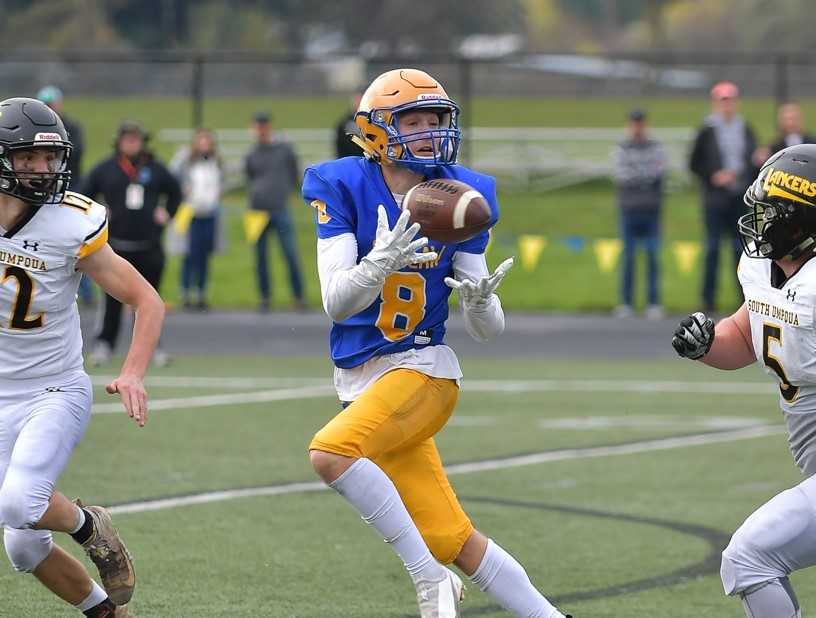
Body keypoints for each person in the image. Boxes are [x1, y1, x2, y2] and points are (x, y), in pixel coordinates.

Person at [302, 68, 571, 618]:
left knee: (330, 453)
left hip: (424, 370)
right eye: (413, 121)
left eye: (435, 120)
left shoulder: (463, 194)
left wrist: (480, 302)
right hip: (364, 378)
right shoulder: (340, 183)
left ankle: (430, 581)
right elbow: (336, 301)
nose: (427, 132)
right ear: (376, 130)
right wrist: (380, 261)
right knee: (454, 537)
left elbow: (488, 330)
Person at [0, 97, 165, 617]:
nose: (43, 170)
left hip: (52, 388)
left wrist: (133, 372)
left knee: (19, 503)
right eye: (29, 158)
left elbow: (147, 300)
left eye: (50, 159)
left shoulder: (71, 223)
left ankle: (92, 526)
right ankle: (108, 614)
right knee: (23, 545)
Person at [672, 143, 816, 618]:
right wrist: (707, 343)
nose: (760, 219)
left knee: (749, 559)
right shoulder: (766, 271)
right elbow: (746, 333)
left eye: (772, 212)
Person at [81, 121, 181, 366]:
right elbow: (84, 193)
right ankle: (105, 343)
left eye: (136, 139)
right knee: (112, 299)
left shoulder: (156, 169)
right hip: (115, 247)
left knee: (149, 298)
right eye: (127, 138)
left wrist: (167, 213)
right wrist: (99, 213)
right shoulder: (106, 169)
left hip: (149, 244)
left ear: (142, 141)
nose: (131, 143)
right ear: (119, 141)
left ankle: (153, 347)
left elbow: (176, 192)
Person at [689, 81, 761, 312]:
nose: (727, 105)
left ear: (736, 102)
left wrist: (747, 173)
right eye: (722, 101)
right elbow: (694, 163)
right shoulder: (706, 130)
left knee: (740, 250)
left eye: (730, 100)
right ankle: (707, 300)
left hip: (738, 196)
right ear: (716, 103)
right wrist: (713, 176)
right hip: (715, 199)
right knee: (712, 248)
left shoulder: (745, 128)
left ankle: (744, 301)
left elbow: (753, 161)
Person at [36, 85, 95, 306]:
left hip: (69, 186)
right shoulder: (32, 129)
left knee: (77, 239)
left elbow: (75, 153)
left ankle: (86, 291)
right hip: (39, 188)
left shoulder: (70, 127)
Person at [244, 112, 306, 312]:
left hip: (280, 208)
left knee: (290, 253)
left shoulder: (284, 150)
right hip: (257, 211)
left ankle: (298, 296)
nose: (260, 131)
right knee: (260, 257)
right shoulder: (252, 153)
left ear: (269, 127)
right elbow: (250, 177)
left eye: (263, 126)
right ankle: (264, 296)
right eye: (257, 127)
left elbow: (294, 173)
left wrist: (288, 192)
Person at [611, 108, 667, 319]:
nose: (637, 127)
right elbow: (622, 174)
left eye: (640, 123)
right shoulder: (621, 147)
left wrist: (641, 174)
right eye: (634, 123)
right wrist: (645, 175)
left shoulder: (656, 146)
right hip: (629, 209)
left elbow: (659, 171)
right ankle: (626, 302)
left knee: (653, 256)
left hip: (651, 209)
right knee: (629, 257)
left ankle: (654, 302)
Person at [169, 128, 224, 311]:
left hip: (210, 213)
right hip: (190, 213)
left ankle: (201, 292)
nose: (204, 145)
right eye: (201, 141)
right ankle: (185, 292)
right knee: (189, 254)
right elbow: (172, 176)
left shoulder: (216, 162)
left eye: (207, 141)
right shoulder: (186, 162)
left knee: (204, 255)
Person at [334, 92, 365, 159]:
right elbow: (340, 142)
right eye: (357, 100)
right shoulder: (345, 122)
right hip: (348, 157)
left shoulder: (369, 120)